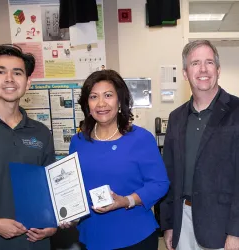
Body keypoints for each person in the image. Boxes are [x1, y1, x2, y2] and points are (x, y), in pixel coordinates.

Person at [68, 69, 169, 249]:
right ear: (87, 105)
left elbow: (160, 183)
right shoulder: (78, 141)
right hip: (92, 236)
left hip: (135, 236)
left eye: (108, 95)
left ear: (120, 101)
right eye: (93, 97)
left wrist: (126, 200)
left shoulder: (140, 138)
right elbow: (73, 186)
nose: (101, 103)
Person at [160, 40, 239, 250]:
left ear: (218, 69)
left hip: (222, 228)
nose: (203, 69)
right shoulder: (176, 118)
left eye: (209, 62)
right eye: (195, 63)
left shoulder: (237, 111)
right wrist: (168, 225)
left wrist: (236, 231)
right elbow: (169, 174)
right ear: (185, 73)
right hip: (183, 221)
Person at [0, 44, 57, 250]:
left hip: (34, 243)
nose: (9, 78)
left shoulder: (41, 133)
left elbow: (51, 187)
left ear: (27, 83)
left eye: (17, 73)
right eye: (1, 71)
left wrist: (53, 225)